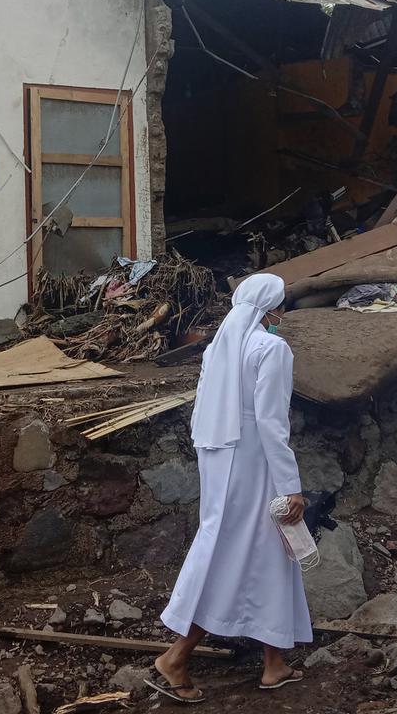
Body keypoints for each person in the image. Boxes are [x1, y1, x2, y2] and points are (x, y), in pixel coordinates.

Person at [153, 273, 311, 704]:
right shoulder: (270, 348)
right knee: (247, 549)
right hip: (253, 460)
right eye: (282, 304)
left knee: (261, 548)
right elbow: (272, 423)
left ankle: (274, 662)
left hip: (219, 455)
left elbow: (202, 413)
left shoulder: (218, 348)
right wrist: (291, 485)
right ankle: (177, 655)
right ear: (272, 308)